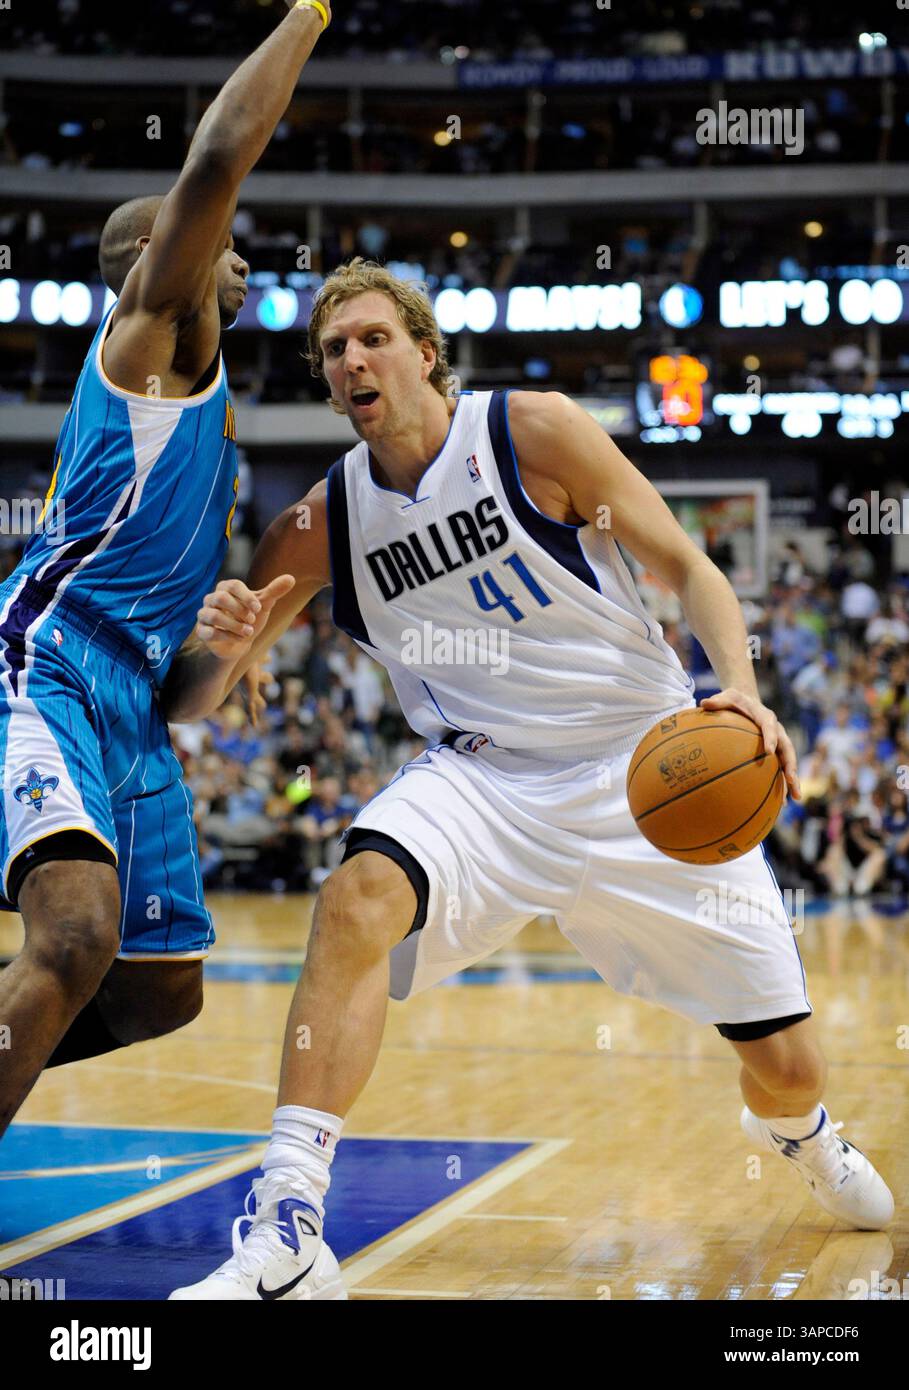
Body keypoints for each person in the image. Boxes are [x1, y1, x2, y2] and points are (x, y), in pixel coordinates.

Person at [168, 260, 893, 1301]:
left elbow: (690, 569)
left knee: (787, 1064)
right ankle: (287, 1231)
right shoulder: (319, 525)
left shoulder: (532, 432)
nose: (352, 360)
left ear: (425, 351)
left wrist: (738, 690)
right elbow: (195, 699)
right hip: (484, 782)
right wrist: (219, 649)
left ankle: (803, 1135)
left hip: (644, 766)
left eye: (373, 337)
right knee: (355, 896)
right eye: (334, 350)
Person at [0, 0, 332, 1139]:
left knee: (158, 989)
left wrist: (222, 651)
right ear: (165, 257)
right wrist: (310, 11)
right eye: (221, 243)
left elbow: (179, 697)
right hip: (46, 658)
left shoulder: (211, 423)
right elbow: (221, 151)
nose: (240, 258)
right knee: (77, 934)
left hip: (129, 697)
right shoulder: (153, 340)